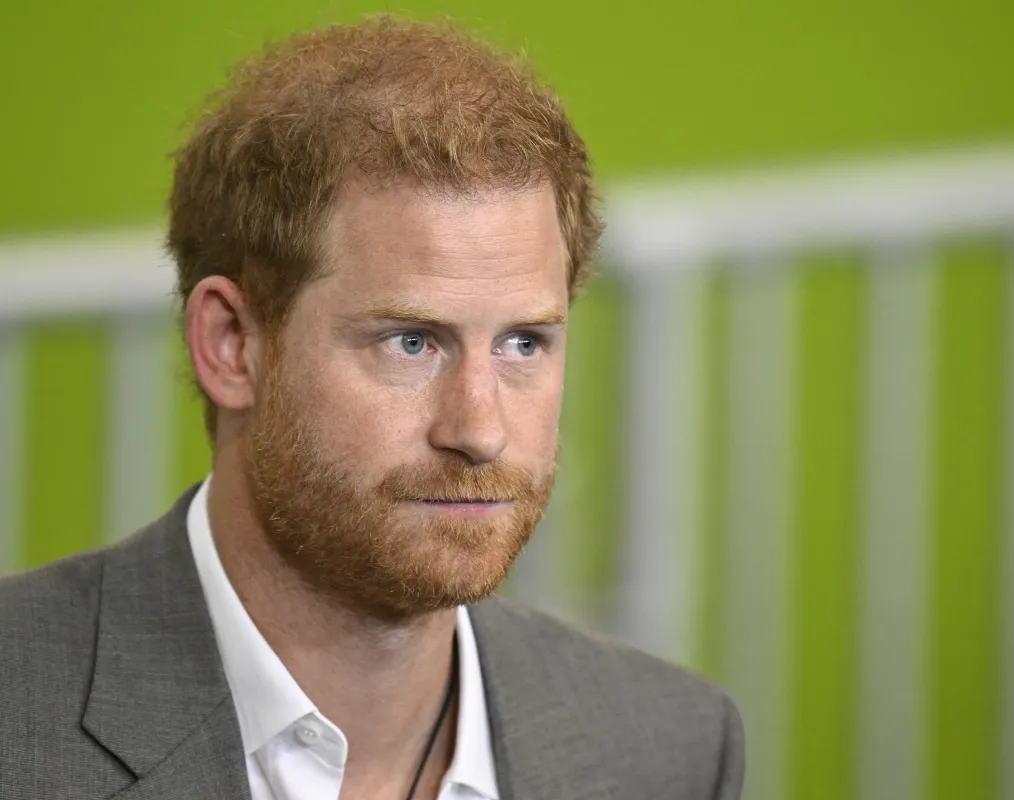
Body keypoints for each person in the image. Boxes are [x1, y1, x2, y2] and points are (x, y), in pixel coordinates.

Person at [0, 15, 744, 800]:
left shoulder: (672, 749)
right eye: (411, 344)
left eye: (523, 343)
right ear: (232, 344)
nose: (480, 432)